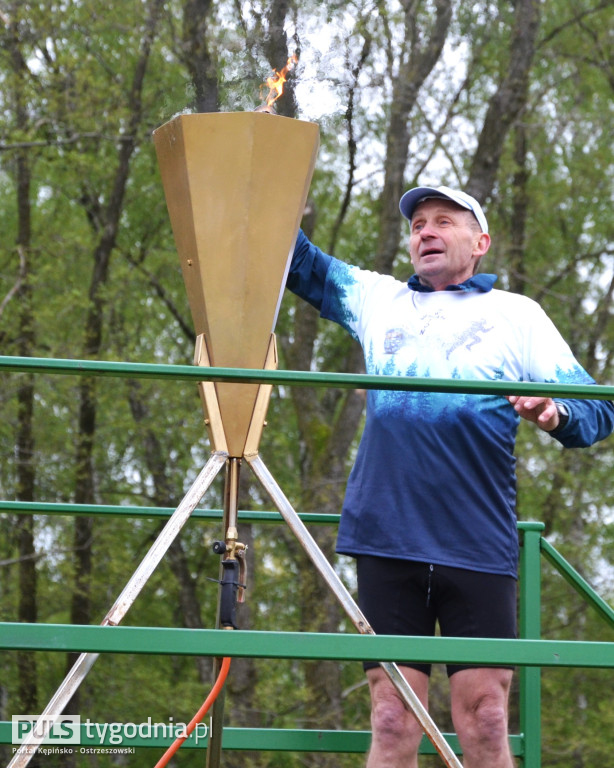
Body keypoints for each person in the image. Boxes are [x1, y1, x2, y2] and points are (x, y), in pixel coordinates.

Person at [286, 185, 614, 768]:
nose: (426, 232)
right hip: (386, 536)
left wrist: (557, 412)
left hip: (476, 542)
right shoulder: (376, 298)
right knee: (391, 717)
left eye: (443, 221)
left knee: (485, 718)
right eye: (417, 225)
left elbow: (598, 408)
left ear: (480, 242)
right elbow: (294, 259)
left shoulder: (517, 315)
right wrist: (266, 178)